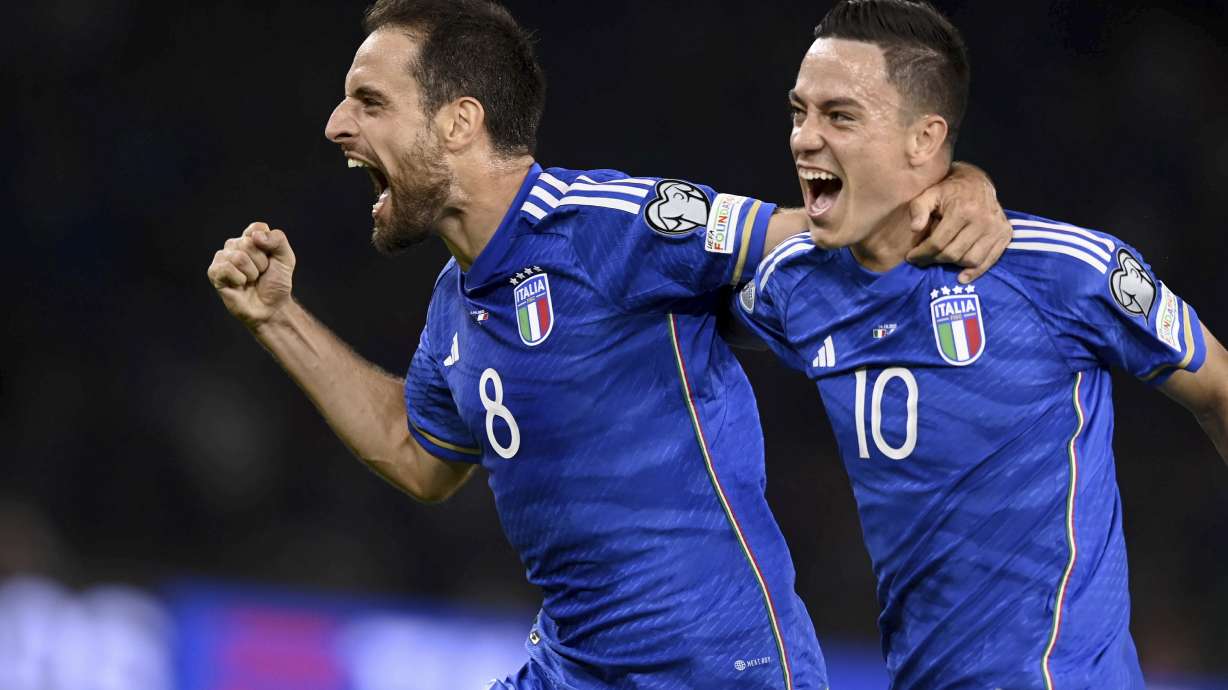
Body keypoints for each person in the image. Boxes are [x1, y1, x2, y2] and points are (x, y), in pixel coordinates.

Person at [205, 0, 1012, 687]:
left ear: (458, 121)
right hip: (573, 665)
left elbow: (815, 233)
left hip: (715, 669)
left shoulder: (610, 227)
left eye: (370, 101)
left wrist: (953, 184)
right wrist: (277, 317)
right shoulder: (458, 301)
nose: (337, 123)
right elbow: (417, 451)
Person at [734, 1, 1228, 688]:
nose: (804, 139)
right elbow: (692, 325)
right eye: (799, 112)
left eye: (839, 116)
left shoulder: (1062, 270)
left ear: (923, 138)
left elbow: (1219, 388)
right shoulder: (795, 287)